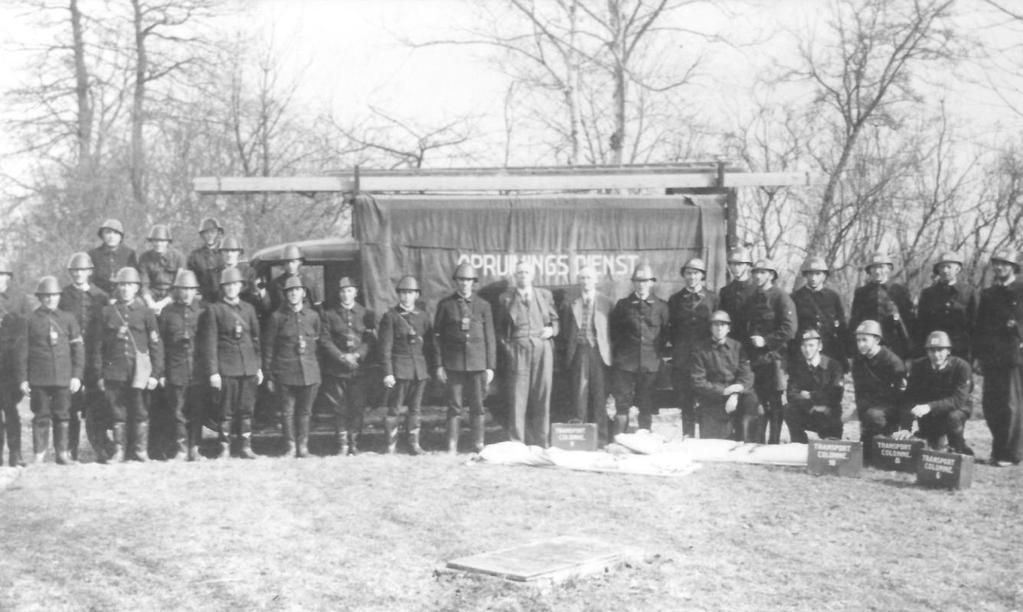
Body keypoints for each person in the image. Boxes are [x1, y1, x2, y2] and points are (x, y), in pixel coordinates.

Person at [92, 267, 163, 462]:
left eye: (130, 285)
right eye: (122, 285)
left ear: (137, 288)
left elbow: (155, 345)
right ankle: (119, 451)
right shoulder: (107, 312)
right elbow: (98, 347)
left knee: (140, 411)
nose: (125, 289)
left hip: (139, 373)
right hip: (114, 371)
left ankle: (140, 451)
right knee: (117, 413)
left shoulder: (146, 313)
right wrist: (100, 374)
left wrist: (156, 374)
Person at [15, 276, 85, 464]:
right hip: (39, 378)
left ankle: (62, 453)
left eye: (54, 295)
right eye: (46, 296)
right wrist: (23, 379)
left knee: (63, 415)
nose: (50, 299)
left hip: (63, 377)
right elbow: (22, 352)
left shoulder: (68, 319)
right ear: (40, 297)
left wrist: (77, 376)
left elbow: (78, 350)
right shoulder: (29, 320)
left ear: (59, 297)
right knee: (40, 415)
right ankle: (39, 455)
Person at [199, 267, 263, 459]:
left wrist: (258, 367)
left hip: (248, 367)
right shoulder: (214, 310)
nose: (231, 289)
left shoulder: (249, 309)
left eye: (235, 285)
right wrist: (213, 372)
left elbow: (256, 340)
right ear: (222, 288)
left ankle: (245, 446)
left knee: (246, 410)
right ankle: (224, 448)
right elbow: (210, 343)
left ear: (240, 287)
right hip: (227, 368)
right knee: (225, 411)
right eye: (227, 285)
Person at [433, 262, 496, 454]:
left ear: (474, 282)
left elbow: (490, 337)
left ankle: (478, 444)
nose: (465, 284)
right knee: (454, 407)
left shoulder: (483, 305)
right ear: (456, 282)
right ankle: (452, 445)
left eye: (468, 280)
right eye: (461, 280)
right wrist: (439, 365)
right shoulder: (446, 305)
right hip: (454, 365)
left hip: (477, 364)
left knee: (477, 406)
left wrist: (490, 367)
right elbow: (437, 337)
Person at [496, 260, 558, 447]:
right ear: (515, 276)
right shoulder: (505, 298)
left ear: (532, 275)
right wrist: (509, 349)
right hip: (518, 350)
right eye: (519, 273)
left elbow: (555, 320)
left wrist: (552, 330)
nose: (522, 275)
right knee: (517, 396)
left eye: (526, 272)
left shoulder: (544, 295)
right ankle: (517, 441)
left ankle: (542, 440)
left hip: (542, 349)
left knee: (542, 394)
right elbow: (499, 330)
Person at [263, 276, 324, 458]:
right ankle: (290, 446)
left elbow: (318, 344)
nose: (293, 294)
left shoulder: (313, 316)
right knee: (287, 411)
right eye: (290, 291)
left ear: (304, 293)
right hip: (285, 371)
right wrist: (269, 374)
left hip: (309, 371)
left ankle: (303, 447)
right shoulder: (277, 317)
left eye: (297, 290)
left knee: (305, 411)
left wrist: (317, 372)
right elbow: (268, 348)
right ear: (285, 295)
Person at [973, 251, 1023, 466]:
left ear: (1013, 267)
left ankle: (1011, 453)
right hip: (990, 355)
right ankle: (998, 449)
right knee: (991, 405)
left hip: (1013, 355)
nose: (1000, 267)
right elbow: (980, 326)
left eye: (1005, 264)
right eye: (997, 264)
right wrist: (977, 355)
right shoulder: (988, 293)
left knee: (1011, 405)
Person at [59, 252, 110, 462]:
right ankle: (70, 449)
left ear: (90, 272)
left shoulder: (101, 296)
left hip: (95, 355)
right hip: (71, 356)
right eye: (75, 271)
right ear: (71, 273)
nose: (79, 274)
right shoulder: (63, 296)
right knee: (71, 404)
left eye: (83, 270)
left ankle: (100, 448)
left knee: (96, 404)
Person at [609, 263, 669, 434]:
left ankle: (644, 440)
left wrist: (654, 355)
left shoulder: (661, 307)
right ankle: (619, 438)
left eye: (645, 281)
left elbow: (665, 334)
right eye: (638, 281)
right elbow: (615, 332)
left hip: (650, 364)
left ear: (652, 283)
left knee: (646, 403)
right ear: (633, 283)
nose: (642, 284)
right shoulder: (623, 305)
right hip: (626, 363)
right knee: (622, 404)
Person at [320, 276, 376, 455]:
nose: (346, 295)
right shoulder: (329, 314)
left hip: (359, 369)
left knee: (357, 406)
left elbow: (369, 339)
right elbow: (325, 340)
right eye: (343, 291)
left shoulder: (365, 313)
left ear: (356, 292)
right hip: (337, 369)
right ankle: (342, 444)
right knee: (340, 407)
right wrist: (341, 356)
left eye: (349, 290)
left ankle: (354, 443)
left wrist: (358, 355)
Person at [742, 259, 797, 444]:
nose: (758, 276)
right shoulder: (752, 298)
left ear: (771, 275)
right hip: (756, 359)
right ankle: (758, 441)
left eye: (763, 272)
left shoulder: (781, 297)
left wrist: (766, 341)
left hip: (775, 358)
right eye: (755, 272)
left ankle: (774, 441)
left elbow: (790, 329)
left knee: (775, 402)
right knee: (758, 401)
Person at [378, 275, 434, 454]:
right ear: (398, 295)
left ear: (417, 295)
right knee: (394, 408)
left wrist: (430, 369)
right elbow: (384, 348)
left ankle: (414, 445)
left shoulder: (423, 317)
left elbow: (430, 346)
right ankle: (391, 445)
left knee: (415, 409)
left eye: (410, 293)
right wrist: (388, 372)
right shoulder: (391, 317)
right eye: (403, 293)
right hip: (399, 370)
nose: (406, 297)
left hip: (419, 370)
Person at [893, 331, 973, 455]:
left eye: (940, 350)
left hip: (956, 408)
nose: (936, 355)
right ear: (927, 351)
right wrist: (905, 428)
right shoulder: (919, 366)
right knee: (933, 448)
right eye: (932, 350)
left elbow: (958, 399)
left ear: (948, 351)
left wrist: (929, 407)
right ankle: (935, 438)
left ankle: (958, 447)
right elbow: (909, 397)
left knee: (953, 418)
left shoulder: (962, 367)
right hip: (930, 412)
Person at [558, 265, 612, 445]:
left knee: (599, 396)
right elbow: (566, 331)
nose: (585, 282)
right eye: (582, 278)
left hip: (599, 353)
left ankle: (602, 439)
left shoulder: (606, 302)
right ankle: (581, 440)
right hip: (580, 352)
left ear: (595, 280)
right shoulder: (572, 303)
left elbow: (613, 330)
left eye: (589, 278)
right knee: (580, 395)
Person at [667, 257, 719, 438]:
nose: (692, 277)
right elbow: (671, 329)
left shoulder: (713, 298)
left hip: (707, 358)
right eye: (688, 273)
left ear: (702, 276)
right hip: (683, 358)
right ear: (684, 275)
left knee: (707, 397)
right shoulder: (675, 300)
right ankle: (687, 436)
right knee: (686, 399)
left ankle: (706, 437)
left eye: (696, 273)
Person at [157, 270, 205, 461]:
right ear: (176, 290)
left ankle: (195, 448)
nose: (186, 293)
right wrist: (160, 371)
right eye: (183, 289)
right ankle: (181, 449)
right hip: (175, 368)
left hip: (198, 368)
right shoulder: (168, 313)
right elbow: (160, 344)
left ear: (195, 291)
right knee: (177, 410)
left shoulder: (203, 310)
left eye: (190, 289)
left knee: (197, 409)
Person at [690, 311, 759, 440]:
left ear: (729, 328)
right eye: (716, 325)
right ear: (710, 328)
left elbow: (747, 375)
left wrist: (735, 394)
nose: (719, 328)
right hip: (713, 397)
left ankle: (747, 442)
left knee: (751, 401)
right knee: (714, 445)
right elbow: (698, 381)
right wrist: (724, 391)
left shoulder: (737, 347)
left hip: (737, 397)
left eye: (723, 325)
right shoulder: (700, 350)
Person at [851, 320, 906, 461]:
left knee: (873, 416)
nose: (860, 344)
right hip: (869, 408)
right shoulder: (858, 361)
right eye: (858, 340)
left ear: (877, 340)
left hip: (889, 411)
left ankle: (885, 440)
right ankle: (869, 446)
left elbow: (901, 398)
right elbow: (859, 392)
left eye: (864, 340)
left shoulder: (893, 362)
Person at [849, 252, 915, 360]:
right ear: (869, 271)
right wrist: (852, 348)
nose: (877, 271)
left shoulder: (899, 291)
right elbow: (855, 321)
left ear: (889, 269)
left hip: (895, 344)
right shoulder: (862, 292)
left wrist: (910, 351)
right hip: (869, 345)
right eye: (874, 268)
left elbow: (909, 321)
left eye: (881, 267)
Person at [784, 329, 844, 443]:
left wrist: (810, 395)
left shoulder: (834, 366)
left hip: (828, 413)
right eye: (804, 346)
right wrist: (811, 406)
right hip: (808, 412)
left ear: (820, 346)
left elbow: (836, 395)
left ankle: (829, 438)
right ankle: (799, 443)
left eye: (811, 345)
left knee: (829, 449)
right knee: (789, 409)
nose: (807, 350)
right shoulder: (797, 367)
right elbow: (791, 395)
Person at [0, 257, 33, 466]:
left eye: (2, 275)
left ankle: (15, 453)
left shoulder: (19, 299)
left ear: (8, 277)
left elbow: (29, 328)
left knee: (11, 408)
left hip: (11, 364)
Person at [914, 252, 976, 360]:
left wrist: (974, 352)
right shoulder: (928, 294)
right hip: (935, 350)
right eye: (942, 267)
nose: (945, 270)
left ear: (957, 269)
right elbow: (921, 325)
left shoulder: (969, 292)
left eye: (949, 267)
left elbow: (975, 324)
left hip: (960, 350)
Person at [790, 256, 848, 369]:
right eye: (810, 274)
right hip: (804, 348)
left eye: (817, 274)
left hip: (828, 347)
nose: (813, 278)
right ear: (805, 275)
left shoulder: (833, 297)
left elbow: (841, 324)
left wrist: (845, 350)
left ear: (824, 276)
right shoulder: (796, 297)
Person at [137, 224, 186, 315]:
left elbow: (179, 285)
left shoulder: (178, 257)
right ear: (151, 242)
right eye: (155, 241)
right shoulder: (144, 258)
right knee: (137, 303)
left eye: (162, 241)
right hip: (152, 294)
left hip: (172, 295)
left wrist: (162, 303)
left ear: (168, 242)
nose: (159, 244)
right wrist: (150, 303)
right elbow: (144, 284)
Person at [88, 218, 138, 296]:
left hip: (123, 295)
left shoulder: (129, 254)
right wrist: (103, 296)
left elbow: (134, 279)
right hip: (98, 296)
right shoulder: (93, 254)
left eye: (116, 233)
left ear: (121, 237)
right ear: (102, 235)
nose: (112, 236)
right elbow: (88, 281)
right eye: (108, 232)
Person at [266, 244, 320, 313]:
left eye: (293, 262)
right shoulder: (276, 284)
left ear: (300, 262)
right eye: (287, 262)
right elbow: (270, 307)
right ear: (284, 264)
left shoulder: (309, 282)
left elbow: (317, 308)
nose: (290, 265)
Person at [719, 246, 757, 342]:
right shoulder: (725, 291)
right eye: (732, 264)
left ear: (748, 266)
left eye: (740, 264)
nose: (735, 268)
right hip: (732, 342)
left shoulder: (757, 290)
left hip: (752, 341)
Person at [187, 216, 225, 304]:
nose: (210, 235)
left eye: (213, 232)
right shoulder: (195, 256)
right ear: (202, 235)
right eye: (206, 233)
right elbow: (191, 278)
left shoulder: (225, 252)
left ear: (218, 233)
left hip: (224, 296)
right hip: (204, 298)